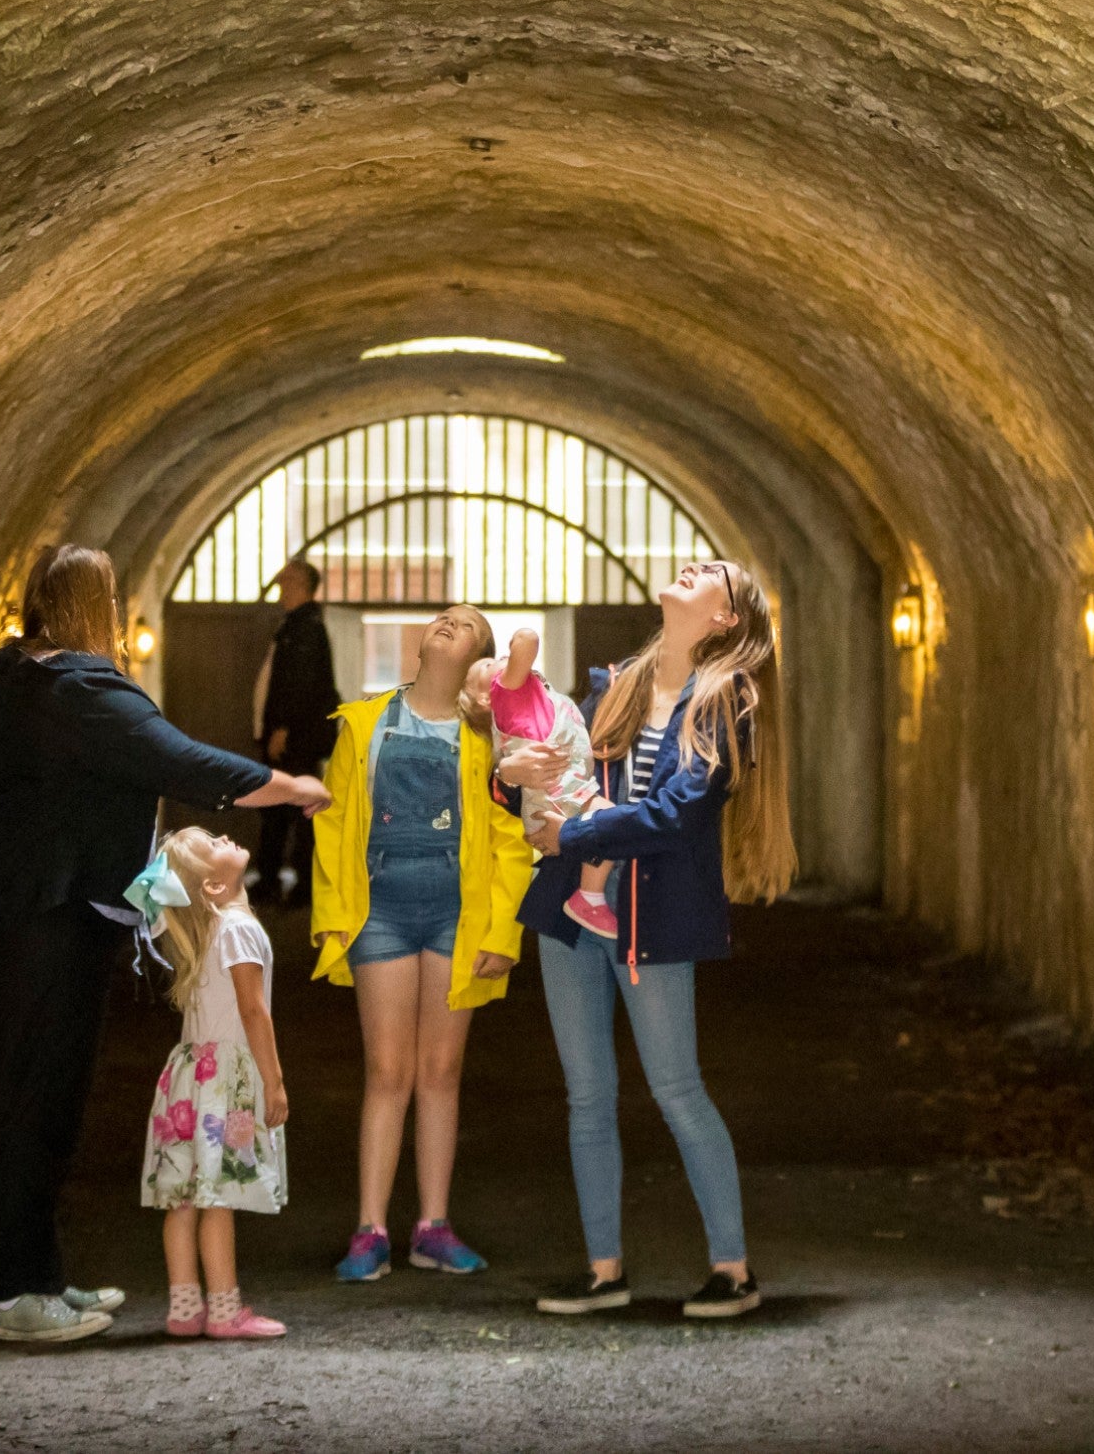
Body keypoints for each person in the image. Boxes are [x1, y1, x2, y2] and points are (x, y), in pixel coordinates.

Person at [0, 545, 327, 1344]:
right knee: (29, 1101)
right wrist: (287, 785)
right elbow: (177, 758)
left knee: (48, 1096)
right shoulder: (75, 689)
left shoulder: (15, 674)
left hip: (26, 910)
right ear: (93, 607)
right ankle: (16, 1295)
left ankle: (40, 1277)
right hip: (33, 915)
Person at [504, 560, 794, 1321]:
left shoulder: (727, 697)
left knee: (677, 1088)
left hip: (655, 916)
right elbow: (557, 762)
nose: (693, 567)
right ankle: (605, 1270)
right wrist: (514, 775)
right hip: (571, 908)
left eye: (713, 575)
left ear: (726, 619)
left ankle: (732, 1267)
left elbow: (678, 813)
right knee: (587, 1096)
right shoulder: (619, 681)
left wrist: (578, 831)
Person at [307, 603, 539, 1282]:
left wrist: (501, 930)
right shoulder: (362, 723)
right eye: (442, 616)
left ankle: (432, 1226)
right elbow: (333, 819)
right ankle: (370, 1229)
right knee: (387, 1069)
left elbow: (509, 842)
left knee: (441, 1071)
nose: (446, 622)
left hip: (455, 914)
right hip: (378, 910)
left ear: (481, 661)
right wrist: (330, 913)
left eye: (465, 624)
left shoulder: (493, 740)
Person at [130, 827, 292, 1340]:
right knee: (218, 1196)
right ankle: (224, 1310)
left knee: (182, 1198)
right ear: (213, 888)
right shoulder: (237, 928)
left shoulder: (207, 930)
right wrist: (275, 1081)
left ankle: (184, 1308)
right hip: (226, 1081)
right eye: (214, 844)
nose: (226, 836)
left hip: (187, 1078)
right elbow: (252, 1010)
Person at [459, 628, 616, 937]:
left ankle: (589, 893)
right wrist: (514, 649)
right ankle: (590, 896)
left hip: (553, 796)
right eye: (487, 666)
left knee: (606, 824)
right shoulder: (506, 691)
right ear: (484, 696)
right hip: (557, 797)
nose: (500, 661)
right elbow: (528, 640)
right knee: (608, 820)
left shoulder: (531, 698)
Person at [253, 559, 340, 906]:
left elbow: (301, 684)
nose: (279, 586)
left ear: (301, 583)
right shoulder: (297, 624)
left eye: (286, 580)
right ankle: (277, 879)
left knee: (295, 812)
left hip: (295, 738)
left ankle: (298, 885)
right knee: (280, 809)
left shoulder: (307, 627)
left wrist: (282, 728)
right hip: (290, 735)